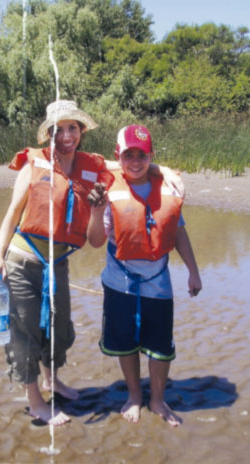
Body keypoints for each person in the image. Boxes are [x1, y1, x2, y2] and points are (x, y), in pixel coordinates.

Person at [0, 101, 184, 426]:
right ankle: (35, 400)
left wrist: (164, 170)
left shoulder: (89, 164)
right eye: (59, 129)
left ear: (81, 132)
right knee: (25, 333)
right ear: (49, 133)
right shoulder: (34, 164)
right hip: (23, 261)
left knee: (57, 327)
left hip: (58, 263)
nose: (66, 135)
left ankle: (52, 381)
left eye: (72, 128)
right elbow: (12, 213)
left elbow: (127, 163)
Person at [87, 124, 202, 427]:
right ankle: (135, 396)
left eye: (141, 155)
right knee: (125, 344)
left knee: (161, 348)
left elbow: (178, 233)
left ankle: (157, 400)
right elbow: (96, 241)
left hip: (158, 284)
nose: (135, 161)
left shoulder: (168, 187)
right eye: (128, 155)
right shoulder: (108, 189)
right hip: (119, 282)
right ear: (118, 155)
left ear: (151, 155)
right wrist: (97, 212)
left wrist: (193, 272)